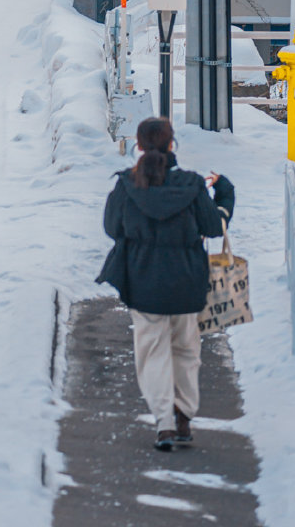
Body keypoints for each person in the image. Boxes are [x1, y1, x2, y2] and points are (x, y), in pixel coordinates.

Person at [97, 116, 234, 452]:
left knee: (152, 351)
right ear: (172, 145)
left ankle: (164, 424)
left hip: (142, 281)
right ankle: (184, 415)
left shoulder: (127, 185)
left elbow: (112, 228)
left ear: (139, 146)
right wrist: (225, 190)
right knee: (186, 350)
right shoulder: (190, 185)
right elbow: (214, 226)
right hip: (187, 281)